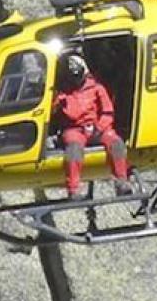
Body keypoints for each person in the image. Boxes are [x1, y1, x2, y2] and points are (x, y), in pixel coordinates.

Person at [53, 53, 132, 198]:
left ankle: (122, 181)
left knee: (116, 142)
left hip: (98, 127)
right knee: (74, 149)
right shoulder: (62, 93)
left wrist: (99, 127)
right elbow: (53, 112)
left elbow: (108, 112)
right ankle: (73, 189)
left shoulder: (97, 88)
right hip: (74, 129)